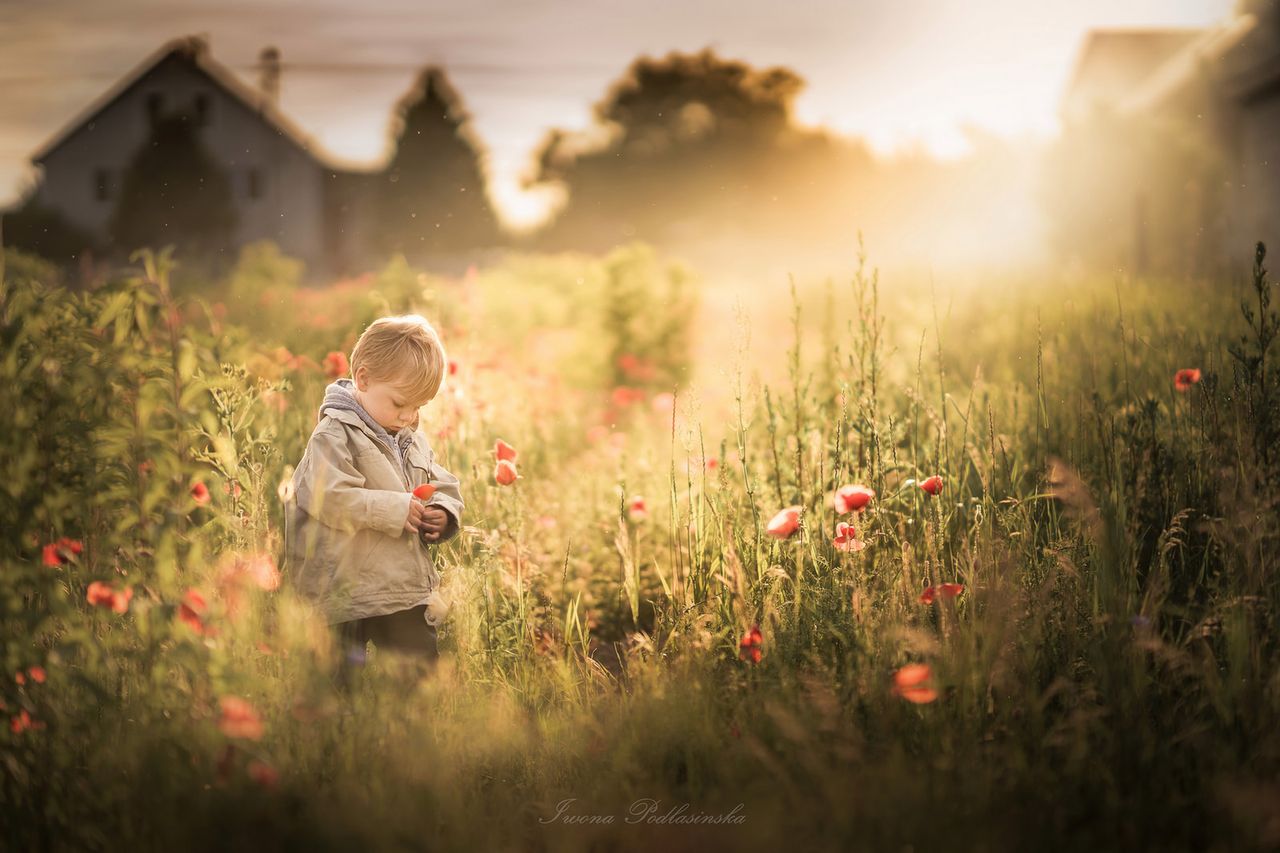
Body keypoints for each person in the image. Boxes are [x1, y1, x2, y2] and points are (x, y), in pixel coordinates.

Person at [282, 314, 464, 692]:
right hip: (341, 590)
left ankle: (404, 741)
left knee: (416, 675)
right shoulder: (333, 435)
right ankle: (338, 744)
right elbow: (328, 497)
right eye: (400, 403)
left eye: (419, 407)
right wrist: (396, 510)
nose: (409, 416)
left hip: (398, 587)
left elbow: (440, 481)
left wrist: (443, 513)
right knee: (335, 688)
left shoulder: (410, 436)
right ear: (363, 379)